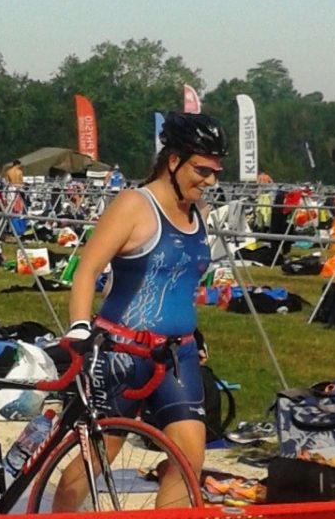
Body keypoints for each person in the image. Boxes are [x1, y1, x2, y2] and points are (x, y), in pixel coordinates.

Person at [58, 111, 228, 511]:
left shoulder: (198, 213)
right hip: (120, 353)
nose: (210, 181)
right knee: (97, 457)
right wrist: (80, 329)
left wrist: (194, 334)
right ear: (173, 161)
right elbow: (86, 271)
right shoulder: (135, 205)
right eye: (202, 170)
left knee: (190, 458)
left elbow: (182, 283)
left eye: (215, 171)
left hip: (174, 355)